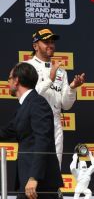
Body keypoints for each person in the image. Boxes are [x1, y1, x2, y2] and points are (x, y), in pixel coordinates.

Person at [0, 62, 63, 199]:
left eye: (9, 78)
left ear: (16, 81)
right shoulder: (25, 106)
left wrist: (34, 177)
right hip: (29, 183)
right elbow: (6, 132)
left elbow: (42, 140)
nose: (8, 82)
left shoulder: (37, 103)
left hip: (39, 184)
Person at [26, 28, 85, 167]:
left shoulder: (61, 72)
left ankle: (53, 190)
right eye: (46, 42)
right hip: (33, 122)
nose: (50, 45)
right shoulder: (27, 67)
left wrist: (72, 87)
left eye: (52, 42)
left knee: (54, 168)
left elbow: (66, 105)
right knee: (34, 168)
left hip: (55, 123)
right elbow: (28, 98)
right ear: (35, 46)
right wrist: (50, 78)